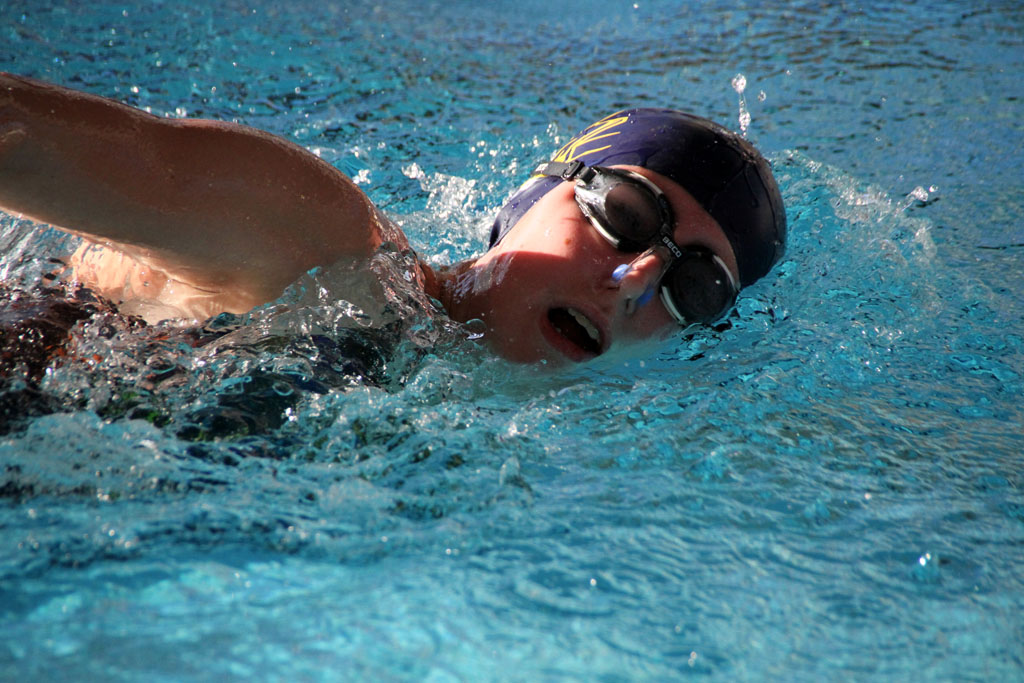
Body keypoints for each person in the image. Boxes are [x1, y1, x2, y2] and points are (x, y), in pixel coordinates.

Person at [0, 73, 786, 366]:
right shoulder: (326, 244)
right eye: (627, 213)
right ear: (530, 196)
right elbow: (21, 140)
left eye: (696, 287)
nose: (636, 276)